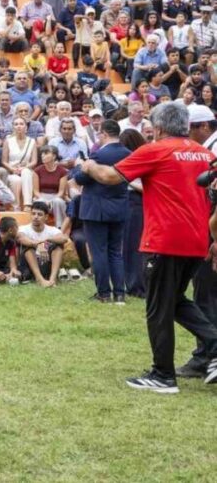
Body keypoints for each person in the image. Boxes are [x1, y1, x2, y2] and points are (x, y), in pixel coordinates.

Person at [81, 102, 217, 393]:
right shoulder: (204, 153)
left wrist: (89, 165)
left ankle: (163, 375)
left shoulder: (155, 150)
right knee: (174, 300)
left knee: (158, 308)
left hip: (164, 239)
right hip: (197, 240)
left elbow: (109, 177)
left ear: (157, 128)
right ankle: (213, 343)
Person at [73, 119, 129, 303]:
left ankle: (104, 293)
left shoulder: (98, 155)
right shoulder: (129, 154)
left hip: (96, 209)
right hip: (119, 207)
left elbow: (80, 179)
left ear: (103, 134)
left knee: (99, 252)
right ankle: (120, 293)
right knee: (115, 252)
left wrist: (81, 166)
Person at [16, 201, 69, 287]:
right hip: (28, 267)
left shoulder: (52, 230)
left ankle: (52, 279)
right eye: (33, 214)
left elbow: (64, 238)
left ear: (46, 217)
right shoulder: (23, 229)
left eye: (39, 214)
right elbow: (21, 238)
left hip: (46, 263)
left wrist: (47, 240)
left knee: (58, 246)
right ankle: (39, 279)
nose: (35, 217)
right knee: (28, 247)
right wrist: (38, 245)